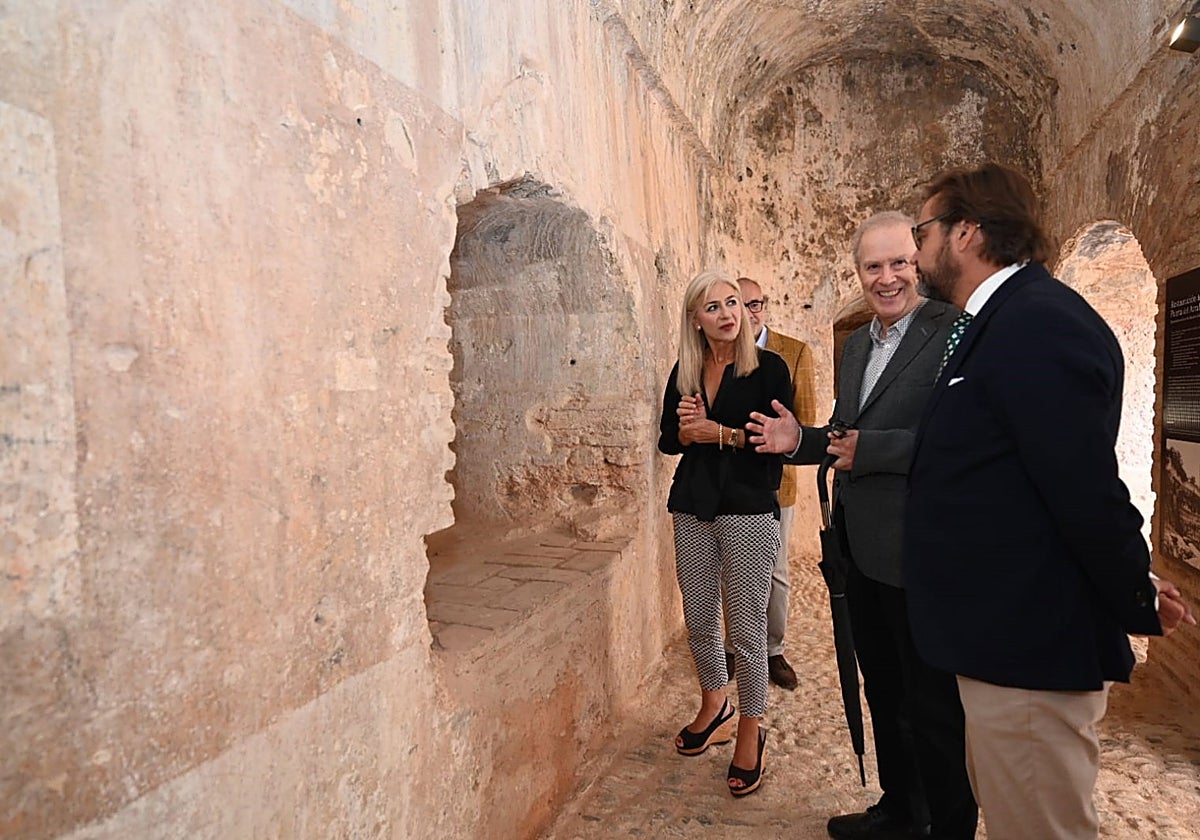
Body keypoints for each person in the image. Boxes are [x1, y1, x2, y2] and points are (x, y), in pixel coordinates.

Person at [904, 162, 1196, 840]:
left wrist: (1131, 588)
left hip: (1027, 644)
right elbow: (1021, 478)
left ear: (966, 232)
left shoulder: (1036, 323)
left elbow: (1083, 486)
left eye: (923, 231)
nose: (917, 252)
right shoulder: (1001, 319)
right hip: (998, 637)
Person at [746, 212, 977, 839]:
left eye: (899, 262)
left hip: (922, 553)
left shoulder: (954, 331)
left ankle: (947, 826)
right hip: (861, 551)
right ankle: (902, 810)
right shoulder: (854, 346)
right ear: (859, 274)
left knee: (933, 707)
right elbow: (844, 437)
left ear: (920, 263)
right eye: (872, 266)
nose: (887, 277)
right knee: (885, 692)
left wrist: (865, 451)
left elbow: (960, 438)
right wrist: (800, 440)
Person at [657, 269, 794, 797]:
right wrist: (686, 424)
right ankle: (715, 702)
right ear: (696, 319)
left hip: (748, 507)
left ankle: (751, 728)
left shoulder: (770, 369)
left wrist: (719, 433)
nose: (727, 314)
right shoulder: (686, 369)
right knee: (697, 614)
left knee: (746, 627)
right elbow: (670, 441)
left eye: (732, 303)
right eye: (713, 307)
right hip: (692, 503)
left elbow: (776, 443)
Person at [732, 276, 817, 691]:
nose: (749, 313)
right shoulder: (720, 353)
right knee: (733, 569)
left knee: (775, 571)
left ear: (765, 306)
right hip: (731, 482)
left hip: (776, 483)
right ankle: (734, 647)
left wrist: (773, 443)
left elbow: (806, 423)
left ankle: (772, 650)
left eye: (755, 304)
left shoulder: (795, 352)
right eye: (740, 304)